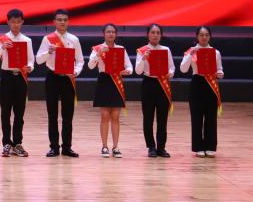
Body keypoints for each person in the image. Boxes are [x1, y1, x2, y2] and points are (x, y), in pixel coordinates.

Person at [35, 8, 84, 157]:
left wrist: (75, 72)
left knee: (68, 115)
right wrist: (49, 52)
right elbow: (38, 60)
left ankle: (67, 147)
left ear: (68, 22)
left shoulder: (74, 39)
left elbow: (80, 61)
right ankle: (54, 147)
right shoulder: (48, 39)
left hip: (68, 78)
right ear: (54, 22)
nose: (62, 22)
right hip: (53, 78)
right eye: (59, 19)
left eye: (65, 20)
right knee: (52, 114)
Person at [0, 8, 35, 157]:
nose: (16, 24)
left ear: (22, 22)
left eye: (18, 22)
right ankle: (7, 143)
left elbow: (31, 60)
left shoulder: (27, 40)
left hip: (21, 77)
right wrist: (2, 48)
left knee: (19, 112)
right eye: (13, 22)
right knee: (5, 112)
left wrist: (30, 67)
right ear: (8, 22)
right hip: (6, 77)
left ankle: (18, 143)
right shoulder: (1, 40)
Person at [88, 23, 132, 157]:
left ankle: (116, 147)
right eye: (108, 32)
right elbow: (90, 66)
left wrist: (127, 71)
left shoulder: (121, 49)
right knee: (105, 116)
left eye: (113, 32)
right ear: (104, 34)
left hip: (116, 81)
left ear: (116, 34)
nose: (111, 34)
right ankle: (104, 147)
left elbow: (129, 67)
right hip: (104, 81)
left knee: (116, 116)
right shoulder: (98, 48)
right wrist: (99, 54)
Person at [180, 25, 224, 157]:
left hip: (210, 84)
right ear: (197, 36)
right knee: (197, 117)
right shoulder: (191, 51)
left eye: (206, 35)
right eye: (201, 35)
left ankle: (210, 146)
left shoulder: (215, 52)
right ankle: (198, 146)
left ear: (210, 36)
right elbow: (183, 69)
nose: (204, 37)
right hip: (197, 84)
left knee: (211, 117)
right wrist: (190, 54)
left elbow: (220, 69)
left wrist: (220, 73)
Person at [134, 22, 174, 157]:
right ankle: (151, 146)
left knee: (162, 118)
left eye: (158, 33)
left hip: (162, 83)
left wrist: (170, 73)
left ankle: (161, 147)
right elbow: (138, 71)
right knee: (148, 117)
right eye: (152, 32)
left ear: (161, 35)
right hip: (148, 84)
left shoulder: (166, 49)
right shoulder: (142, 50)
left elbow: (171, 67)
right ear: (148, 35)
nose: (155, 35)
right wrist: (144, 58)